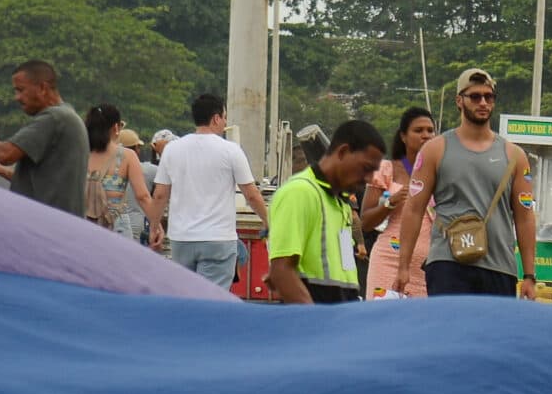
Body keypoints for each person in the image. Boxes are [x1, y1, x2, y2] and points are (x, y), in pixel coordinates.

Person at [397, 68, 536, 299]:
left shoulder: (514, 155)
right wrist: (403, 267)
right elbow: (413, 209)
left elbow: (525, 217)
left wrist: (530, 275)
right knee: (450, 324)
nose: (483, 103)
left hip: (499, 267)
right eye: (475, 96)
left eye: (489, 97)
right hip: (447, 263)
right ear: (459, 101)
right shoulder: (435, 149)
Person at [265, 118, 386, 305]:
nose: (369, 178)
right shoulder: (299, 192)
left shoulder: (340, 203)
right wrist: (317, 317)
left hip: (342, 309)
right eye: (365, 168)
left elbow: (343, 268)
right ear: (343, 152)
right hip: (314, 314)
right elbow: (281, 272)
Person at [152, 92, 266, 289]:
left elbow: (160, 194)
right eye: (224, 117)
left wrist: (155, 226)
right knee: (212, 298)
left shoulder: (172, 149)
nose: (225, 122)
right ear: (216, 118)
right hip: (218, 239)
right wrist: (268, 220)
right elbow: (252, 195)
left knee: (186, 296)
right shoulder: (231, 150)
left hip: (182, 239)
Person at [0, 60, 86, 218]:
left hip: (48, 222)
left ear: (42, 88)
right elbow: (41, 184)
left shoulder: (54, 118)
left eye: (21, 90)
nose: (17, 97)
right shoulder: (68, 116)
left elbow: (5, 155)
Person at [364, 108, 439, 298]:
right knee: (384, 316)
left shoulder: (442, 173)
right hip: (390, 261)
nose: (426, 135)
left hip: (428, 266)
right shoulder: (387, 169)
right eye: (418, 130)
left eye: (430, 130)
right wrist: (390, 203)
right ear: (403, 136)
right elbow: (365, 221)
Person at [83, 105, 158, 247]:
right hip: (117, 225)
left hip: (83, 223)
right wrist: (156, 225)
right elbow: (142, 196)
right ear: (116, 128)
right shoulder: (127, 156)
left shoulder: (79, 153)